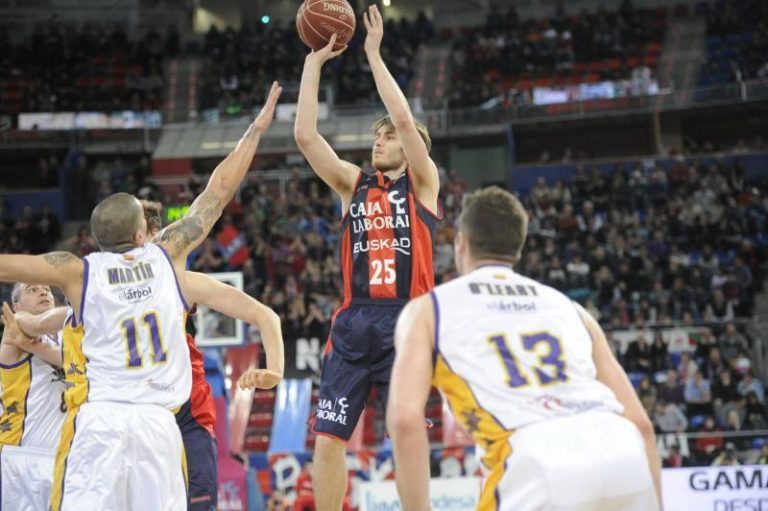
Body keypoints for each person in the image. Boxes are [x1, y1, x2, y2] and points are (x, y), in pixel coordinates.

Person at [0, 81, 282, 511]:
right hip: (157, 423)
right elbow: (217, 193)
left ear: (93, 240)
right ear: (140, 234)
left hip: (100, 422)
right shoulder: (167, 257)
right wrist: (255, 130)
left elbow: (9, 264)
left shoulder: (78, 271)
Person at [388, 187, 661, 511]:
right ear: (517, 246)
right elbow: (641, 424)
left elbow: (405, 420)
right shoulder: (570, 307)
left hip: (535, 460)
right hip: (622, 452)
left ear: (461, 242)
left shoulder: (428, 309)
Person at [294, 7, 441, 510]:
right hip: (354, 321)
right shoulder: (352, 185)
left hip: (407, 320)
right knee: (328, 437)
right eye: (377, 136)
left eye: (391, 136)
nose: (381, 139)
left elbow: (403, 116)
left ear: (414, 146)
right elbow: (306, 138)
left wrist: (374, 56)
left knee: (406, 433)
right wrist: (313, 65)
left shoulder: (424, 186)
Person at [140, 199, 285, 510]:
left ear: (153, 236)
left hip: (187, 413)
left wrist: (275, 371)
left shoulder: (180, 283)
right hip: (138, 416)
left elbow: (266, 315)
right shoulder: (104, 290)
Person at [0, 285, 68, 510]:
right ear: (16, 306)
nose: (42, 292)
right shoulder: (16, 328)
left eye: (47, 289)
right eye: (32, 290)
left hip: (63, 456)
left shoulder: (67, 338)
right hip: (20, 457)